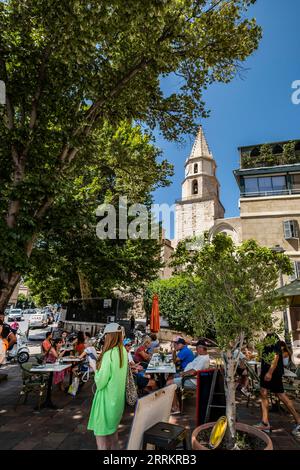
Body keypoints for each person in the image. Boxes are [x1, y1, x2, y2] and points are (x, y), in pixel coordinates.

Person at [87, 323, 128, 450]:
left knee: (102, 444)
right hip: (116, 403)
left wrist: (94, 366)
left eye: (105, 335)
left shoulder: (108, 354)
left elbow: (100, 382)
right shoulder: (123, 351)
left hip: (105, 402)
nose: (104, 338)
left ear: (109, 336)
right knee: (114, 438)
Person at [256, 333, 300, 437]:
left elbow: (275, 358)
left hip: (272, 373)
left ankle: (298, 420)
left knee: (281, 395)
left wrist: (270, 372)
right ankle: (265, 422)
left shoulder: (273, 339)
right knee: (264, 393)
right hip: (268, 373)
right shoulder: (267, 340)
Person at [167, 340, 210, 413]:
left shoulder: (203, 359)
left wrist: (182, 374)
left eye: (197, 349)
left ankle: (175, 408)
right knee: (171, 377)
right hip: (189, 376)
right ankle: (175, 401)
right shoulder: (201, 356)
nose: (196, 350)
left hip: (192, 380)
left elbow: (193, 372)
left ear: (201, 348)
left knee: (169, 383)